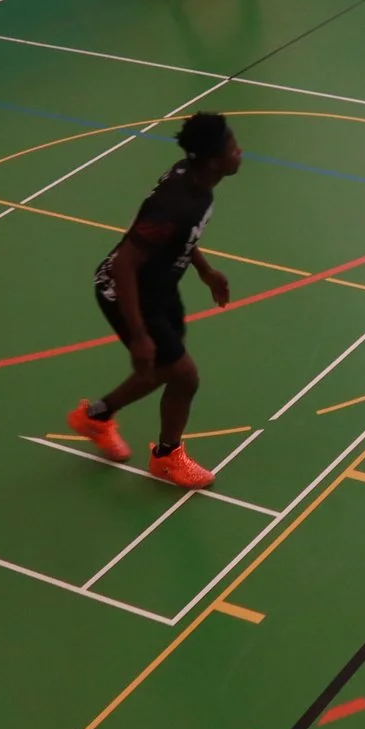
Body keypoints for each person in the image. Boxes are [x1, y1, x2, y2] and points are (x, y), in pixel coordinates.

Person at [67, 112, 244, 486]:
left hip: (160, 287)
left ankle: (96, 417)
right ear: (214, 160)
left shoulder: (195, 179)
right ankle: (166, 457)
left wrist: (204, 269)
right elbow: (123, 264)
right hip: (127, 292)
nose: (239, 151)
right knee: (184, 376)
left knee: (166, 371)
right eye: (232, 147)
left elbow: (177, 238)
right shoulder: (174, 203)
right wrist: (140, 335)